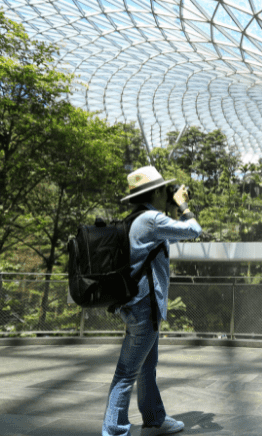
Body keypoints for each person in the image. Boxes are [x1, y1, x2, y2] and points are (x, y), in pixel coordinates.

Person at [102, 166, 202, 436]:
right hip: (145, 306)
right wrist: (182, 205)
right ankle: (113, 430)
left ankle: (155, 418)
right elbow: (194, 230)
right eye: (164, 190)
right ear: (156, 192)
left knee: (147, 364)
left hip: (135, 303)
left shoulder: (136, 218)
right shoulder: (151, 220)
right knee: (126, 372)